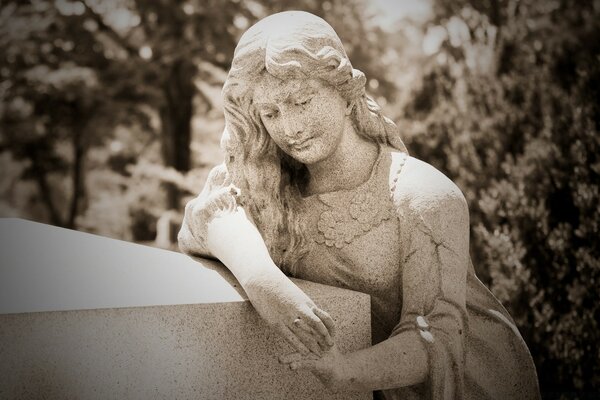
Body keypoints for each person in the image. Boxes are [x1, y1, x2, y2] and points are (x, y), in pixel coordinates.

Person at [178, 11, 540, 399]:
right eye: (271, 113)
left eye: (301, 101)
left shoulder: (421, 196)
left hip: (469, 385)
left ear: (347, 93)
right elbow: (202, 222)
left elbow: (438, 333)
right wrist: (264, 283)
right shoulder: (275, 187)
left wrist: (348, 372)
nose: (290, 128)